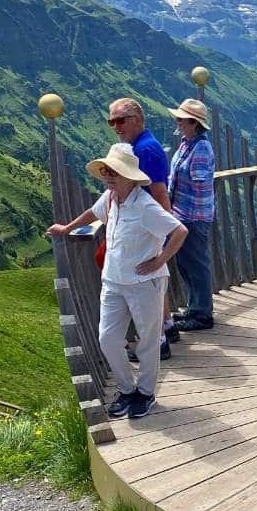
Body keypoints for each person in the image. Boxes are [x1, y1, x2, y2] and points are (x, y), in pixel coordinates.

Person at [47, 143, 187, 420]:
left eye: (115, 172)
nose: (109, 176)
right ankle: (126, 388)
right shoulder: (111, 198)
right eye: (106, 171)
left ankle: (145, 393)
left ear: (130, 177)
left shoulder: (145, 206)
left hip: (144, 283)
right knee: (108, 338)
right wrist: (67, 228)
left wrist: (160, 260)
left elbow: (179, 230)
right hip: (113, 281)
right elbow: (92, 212)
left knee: (147, 341)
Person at [108, 97, 177, 358]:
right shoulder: (141, 145)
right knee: (154, 278)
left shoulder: (144, 150)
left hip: (145, 228)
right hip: (147, 225)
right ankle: (167, 327)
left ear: (137, 119)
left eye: (120, 120)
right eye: (112, 121)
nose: (115, 126)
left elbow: (158, 191)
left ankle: (157, 343)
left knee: (146, 281)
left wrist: (164, 229)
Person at [166, 98, 216, 331]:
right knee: (187, 264)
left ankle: (202, 315)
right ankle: (194, 309)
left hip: (193, 217)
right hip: (183, 215)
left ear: (193, 123)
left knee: (196, 265)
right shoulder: (188, 144)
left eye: (181, 119)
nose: (178, 122)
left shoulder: (201, 148)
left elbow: (199, 185)